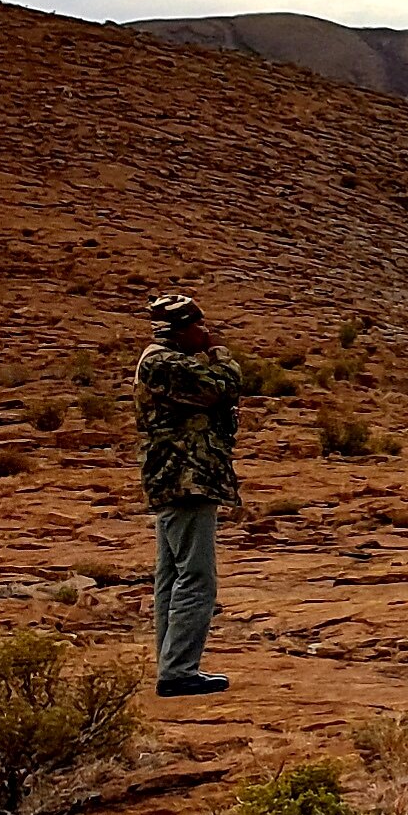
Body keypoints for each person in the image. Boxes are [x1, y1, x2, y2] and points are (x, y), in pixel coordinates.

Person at [135, 291, 245, 698]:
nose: (205, 331)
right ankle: (179, 671)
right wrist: (219, 353)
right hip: (185, 479)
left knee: (172, 576)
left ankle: (172, 665)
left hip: (180, 478)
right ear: (178, 330)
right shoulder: (164, 363)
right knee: (196, 578)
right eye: (198, 325)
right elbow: (223, 385)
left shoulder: (164, 361)